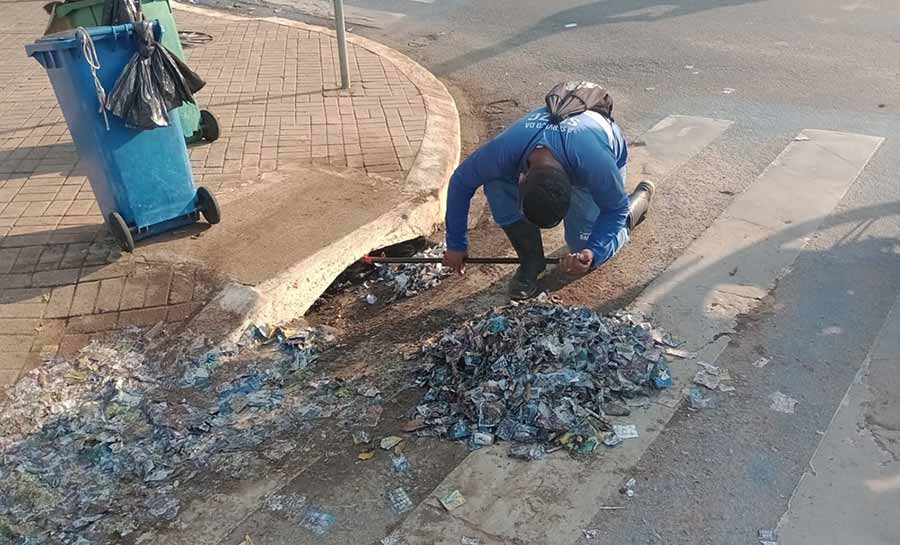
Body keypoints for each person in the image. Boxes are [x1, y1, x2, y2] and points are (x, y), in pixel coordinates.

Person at [442, 86, 654, 299]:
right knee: (496, 184)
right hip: (555, 150)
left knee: (582, 247)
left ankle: (633, 211)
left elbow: (614, 210)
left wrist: (593, 252)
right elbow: (460, 182)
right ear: (521, 177)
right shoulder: (504, 151)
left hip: (598, 154)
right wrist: (455, 244)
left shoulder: (596, 165)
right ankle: (532, 261)